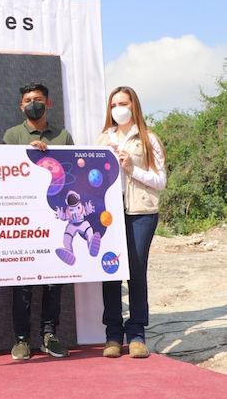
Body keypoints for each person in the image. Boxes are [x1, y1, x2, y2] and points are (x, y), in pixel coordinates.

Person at [2, 82, 73, 360]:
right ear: (21, 106)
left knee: (54, 282)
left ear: (49, 103)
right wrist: (28, 155)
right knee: (22, 282)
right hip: (23, 221)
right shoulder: (12, 135)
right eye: (29, 100)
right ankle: (21, 338)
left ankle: (49, 334)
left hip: (55, 220)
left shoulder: (63, 136)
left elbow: (72, 173)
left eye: (39, 99)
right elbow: (5, 174)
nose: (34, 104)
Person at [96, 86, 166, 359]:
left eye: (123, 103)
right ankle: (113, 334)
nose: (119, 109)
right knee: (110, 271)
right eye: (114, 105)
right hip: (108, 214)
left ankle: (136, 334)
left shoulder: (149, 139)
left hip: (141, 213)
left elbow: (160, 181)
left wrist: (131, 169)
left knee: (136, 272)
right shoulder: (103, 138)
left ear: (134, 105)